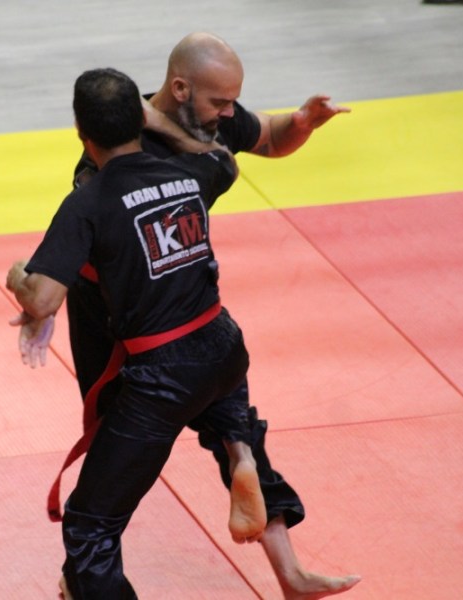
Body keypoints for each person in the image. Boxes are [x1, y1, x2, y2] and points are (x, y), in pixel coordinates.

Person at [55, 32, 358, 599]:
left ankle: (283, 571)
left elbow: (269, 137)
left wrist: (302, 122)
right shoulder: (118, 152)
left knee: (137, 459)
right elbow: (86, 235)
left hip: (171, 319)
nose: (229, 113)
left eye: (232, 101)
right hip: (121, 316)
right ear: (179, 89)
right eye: (220, 102)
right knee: (211, 428)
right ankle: (255, 510)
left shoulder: (213, 121)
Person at [7, 67, 269, 598]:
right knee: (217, 397)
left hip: (163, 376)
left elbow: (43, 298)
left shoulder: (88, 201)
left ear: (81, 132)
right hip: (224, 350)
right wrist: (168, 129)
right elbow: (226, 162)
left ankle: (235, 442)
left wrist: (17, 276)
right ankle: (238, 447)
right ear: (141, 118)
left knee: (90, 525)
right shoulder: (195, 172)